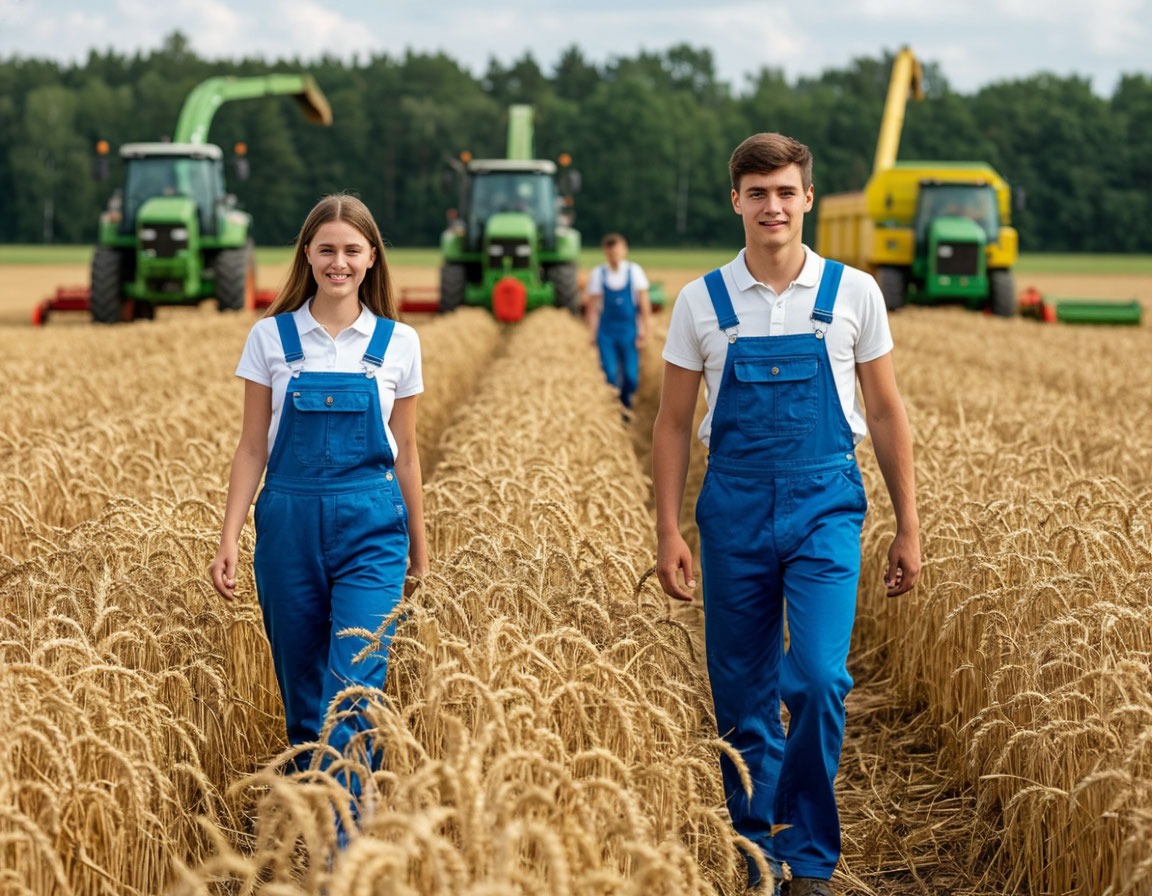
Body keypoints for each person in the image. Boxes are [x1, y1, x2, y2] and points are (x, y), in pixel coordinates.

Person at [651, 134, 920, 896]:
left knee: (818, 679)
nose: (774, 205)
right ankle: (754, 844)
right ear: (736, 200)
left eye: (786, 192)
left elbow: (887, 410)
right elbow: (672, 423)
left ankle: (808, 856)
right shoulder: (701, 300)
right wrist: (670, 530)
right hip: (731, 507)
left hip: (824, 504)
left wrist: (909, 523)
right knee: (741, 691)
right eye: (758, 193)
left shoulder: (854, 293)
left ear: (808, 199)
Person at [209, 193, 428, 793]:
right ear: (307, 254)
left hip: (373, 529)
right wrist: (228, 537)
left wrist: (420, 550)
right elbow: (252, 446)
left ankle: (346, 844)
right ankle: (318, 827)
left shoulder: (398, 342)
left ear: (371, 257)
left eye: (352, 250)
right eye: (327, 249)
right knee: (304, 698)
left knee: (354, 690)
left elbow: (406, 453)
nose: (339, 262)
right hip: (287, 527)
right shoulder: (270, 338)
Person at [584, 233, 652, 416]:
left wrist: (644, 330)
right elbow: (592, 308)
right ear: (606, 252)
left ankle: (626, 403)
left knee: (631, 377)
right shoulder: (599, 274)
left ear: (624, 250)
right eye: (610, 252)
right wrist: (592, 334)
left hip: (629, 331)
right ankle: (614, 411)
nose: (614, 255)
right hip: (607, 333)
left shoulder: (634, 272)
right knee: (610, 374)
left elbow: (644, 305)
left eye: (617, 251)